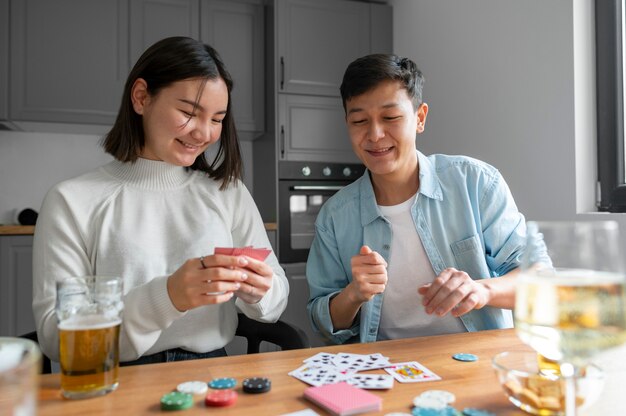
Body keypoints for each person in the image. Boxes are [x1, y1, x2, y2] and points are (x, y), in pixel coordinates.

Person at [32, 37, 289, 364]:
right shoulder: (71, 201)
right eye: (189, 112)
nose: (204, 133)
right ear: (141, 97)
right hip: (115, 377)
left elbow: (276, 300)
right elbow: (58, 339)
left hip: (213, 372)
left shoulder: (229, 192)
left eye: (217, 119)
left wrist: (260, 290)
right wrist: (167, 297)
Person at [306, 54, 544, 345]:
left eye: (391, 118)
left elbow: (539, 279)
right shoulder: (334, 216)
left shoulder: (475, 182)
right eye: (359, 121)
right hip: (385, 366)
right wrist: (353, 294)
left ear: (420, 118)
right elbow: (323, 320)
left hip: (473, 360)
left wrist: (482, 291)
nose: (375, 134)